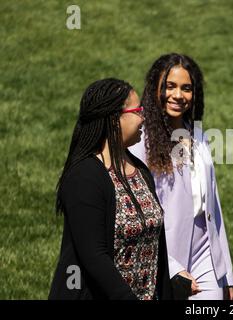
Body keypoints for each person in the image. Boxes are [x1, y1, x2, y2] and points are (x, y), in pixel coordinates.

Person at [49, 78, 172, 300]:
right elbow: (94, 257)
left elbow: (157, 249)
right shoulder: (84, 177)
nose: (143, 117)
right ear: (115, 119)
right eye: (138, 110)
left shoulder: (140, 170)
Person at [129, 53, 233, 300]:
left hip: (204, 251)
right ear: (155, 87)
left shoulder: (196, 133)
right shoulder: (139, 139)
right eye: (170, 86)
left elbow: (214, 205)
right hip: (163, 252)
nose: (178, 95)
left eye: (186, 88)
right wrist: (173, 268)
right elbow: (136, 212)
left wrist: (225, 273)